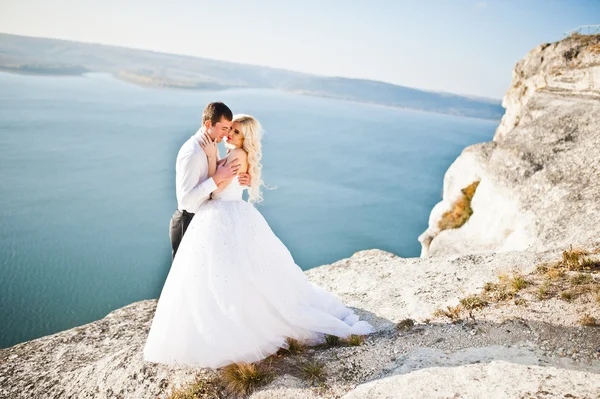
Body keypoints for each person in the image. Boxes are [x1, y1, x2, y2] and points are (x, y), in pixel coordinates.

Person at [144, 113, 374, 369]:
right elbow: (231, 179)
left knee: (222, 274)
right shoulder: (235, 153)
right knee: (231, 274)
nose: (229, 135)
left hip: (223, 213)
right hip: (229, 214)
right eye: (229, 129)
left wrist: (212, 161)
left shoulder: (235, 154)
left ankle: (225, 327)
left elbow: (218, 189)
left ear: (246, 138)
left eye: (236, 133)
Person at [169, 102, 250, 259]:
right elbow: (186, 201)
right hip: (187, 222)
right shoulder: (193, 152)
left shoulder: (211, 144)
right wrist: (216, 179)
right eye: (224, 128)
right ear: (208, 124)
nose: (227, 134)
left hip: (204, 220)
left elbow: (223, 179)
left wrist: (243, 181)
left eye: (230, 129)